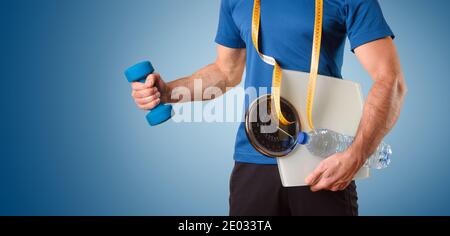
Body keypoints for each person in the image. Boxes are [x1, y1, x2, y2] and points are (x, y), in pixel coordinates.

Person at [130, 0, 407, 216]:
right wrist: (169, 92)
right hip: (253, 159)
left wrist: (356, 155)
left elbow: (390, 81)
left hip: (321, 163)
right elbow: (225, 72)